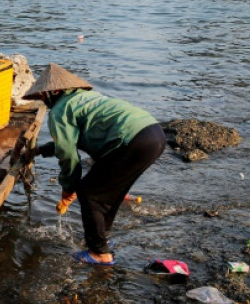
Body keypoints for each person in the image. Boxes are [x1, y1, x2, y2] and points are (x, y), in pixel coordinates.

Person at [23, 63, 166, 265]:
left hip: (131, 141)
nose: (44, 101)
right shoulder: (84, 98)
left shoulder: (60, 110)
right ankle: (101, 241)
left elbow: (67, 153)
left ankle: (99, 253)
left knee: (90, 193)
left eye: (44, 96)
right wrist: (38, 151)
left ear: (54, 91)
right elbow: (69, 141)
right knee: (108, 194)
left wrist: (69, 187)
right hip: (153, 134)